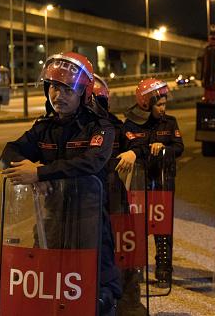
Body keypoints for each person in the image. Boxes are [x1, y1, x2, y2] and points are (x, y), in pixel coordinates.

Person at [0, 52, 121, 315]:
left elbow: (92, 162)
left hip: (88, 221)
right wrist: (37, 173)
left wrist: (42, 174)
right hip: (51, 220)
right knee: (46, 285)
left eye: (67, 88)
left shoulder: (100, 127)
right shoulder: (43, 128)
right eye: (54, 86)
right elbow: (9, 152)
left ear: (83, 93)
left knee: (97, 292)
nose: (59, 95)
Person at [93, 75, 147, 315]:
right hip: (77, 208)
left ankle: (127, 304)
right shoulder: (66, 129)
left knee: (122, 258)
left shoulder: (114, 126)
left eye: (98, 101)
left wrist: (133, 153)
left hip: (114, 203)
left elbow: (139, 144)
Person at [123, 78, 184, 287]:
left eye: (165, 104)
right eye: (159, 104)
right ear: (146, 104)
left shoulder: (170, 122)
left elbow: (179, 147)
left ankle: (164, 269)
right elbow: (131, 147)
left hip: (163, 183)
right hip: (139, 185)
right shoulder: (130, 123)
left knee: (163, 229)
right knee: (137, 227)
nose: (163, 108)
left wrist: (165, 149)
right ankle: (136, 269)